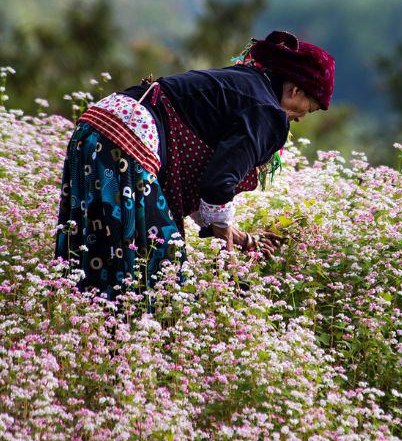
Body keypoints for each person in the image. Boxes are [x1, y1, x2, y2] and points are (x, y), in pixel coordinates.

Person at [55, 30, 335, 298]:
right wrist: (228, 250)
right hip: (125, 142)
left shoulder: (245, 82)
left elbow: (200, 181)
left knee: (96, 252)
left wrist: (236, 236)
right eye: (307, 111)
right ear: (295, 90)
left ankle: (89, 332)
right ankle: (128, 339)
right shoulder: (268, 112)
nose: (297, 119)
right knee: (160, 264)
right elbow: (217, 185)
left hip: (94, 129)